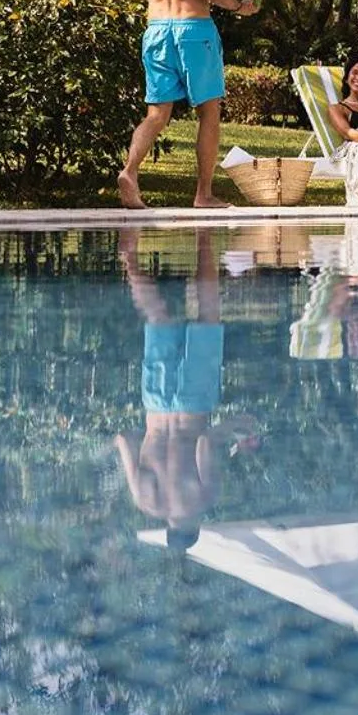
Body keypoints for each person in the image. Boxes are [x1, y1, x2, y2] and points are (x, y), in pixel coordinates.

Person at [115, 0, 262, 209]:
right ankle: (203, 194)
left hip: (156, 29)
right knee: (209, 111)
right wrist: (239, 5)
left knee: (157, 114)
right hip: (194, 29)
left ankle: (129, 172)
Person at [113, 228, 254, 554]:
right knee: (157, 317)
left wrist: (235, 428)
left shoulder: (204, 499)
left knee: (208, 316)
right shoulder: (144, 501)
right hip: (156, 403)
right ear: (167, 529)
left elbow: (205, 441)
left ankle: (204, 239)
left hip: (195, 403)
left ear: (194, 527)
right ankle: (129, 259)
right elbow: (123, 439)